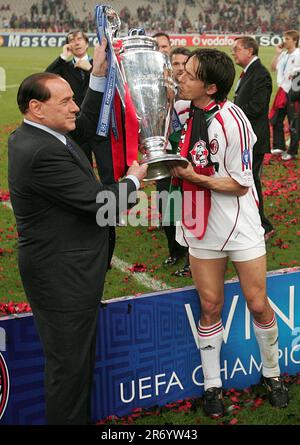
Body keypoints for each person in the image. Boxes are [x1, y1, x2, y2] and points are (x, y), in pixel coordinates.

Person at [8, 40, 148, 425]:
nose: (74, 106)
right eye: (65, 100)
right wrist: (134, 181)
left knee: (75, 366)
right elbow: (99, 201)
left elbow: (84, 123)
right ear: (36, 108)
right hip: (62, 278)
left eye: (74, 97)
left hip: (68, 272)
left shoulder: (43, 134)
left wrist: (99, 73)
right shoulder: (42, 151)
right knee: (69, 373)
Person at [169, 48, 289, 417]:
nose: (181, 78)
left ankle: (273, 374)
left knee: (257, 302)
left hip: (238, 225)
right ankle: (212, 385)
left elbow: (239, 183)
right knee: (209, 306)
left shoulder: (232, 120)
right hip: (196, 221)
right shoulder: (183, 111)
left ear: (211, 86)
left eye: (188, 74)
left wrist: (190, 175)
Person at [46, 29, 117, 269]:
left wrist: (92, 69)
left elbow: (113, 87)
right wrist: (62, 58)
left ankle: (111, 208)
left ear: (86, 43)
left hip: (101, 125)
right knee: (83, 168)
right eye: (71, 41)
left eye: (78, 39)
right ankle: (88, 203)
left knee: (107, 170)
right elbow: (45, 80)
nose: (75, 43)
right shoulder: (64, 66)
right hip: (76, 127)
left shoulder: (99, 64)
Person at [232, 36, 275, 241]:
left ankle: (264, 226)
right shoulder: (250, 72)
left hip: (254, 138)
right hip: (248, 137)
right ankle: (256, 222)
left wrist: (233, 114)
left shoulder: (261, 74)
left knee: (252, 182)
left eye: (237, 49)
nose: (234, 52)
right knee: (248, 181)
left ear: (249, 51)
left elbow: (257, 108)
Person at [153, 34, 187, 266]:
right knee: (167, 208)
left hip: (187, 158)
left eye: (184, 64)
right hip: (164, 155)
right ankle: (174, 251)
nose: (179, 68)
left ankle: (191, 257)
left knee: (190, 209)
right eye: (176, 64)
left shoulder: (195, 92)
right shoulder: (156, 87)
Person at [270, 30, 300, 161]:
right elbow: (272, 67)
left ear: (294, 40)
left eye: (287, 39)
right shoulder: (283, 55)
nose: (284, 41)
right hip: (282, 90)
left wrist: (295, 70)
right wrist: (277, 54)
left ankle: (292, 151)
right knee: (276, 119)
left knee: (294, 122)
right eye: (284, 38)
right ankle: (279, 146)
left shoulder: (298, 53)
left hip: (294, 91)